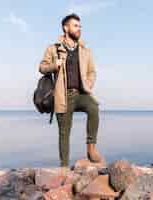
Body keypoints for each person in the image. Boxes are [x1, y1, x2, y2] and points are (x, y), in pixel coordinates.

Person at [38, 13, 105, 167]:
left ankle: (91, 148)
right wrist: (55, 64)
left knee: (94, 107)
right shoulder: (53, 48)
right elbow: (42, 67)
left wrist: (88, 85)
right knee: (64, 133)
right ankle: (65, 167)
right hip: (63, 96)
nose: (79, 29)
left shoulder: (85, 50)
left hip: (81, 94)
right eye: (75, 25)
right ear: (65, 28)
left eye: (80, 26)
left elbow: (92, 71)